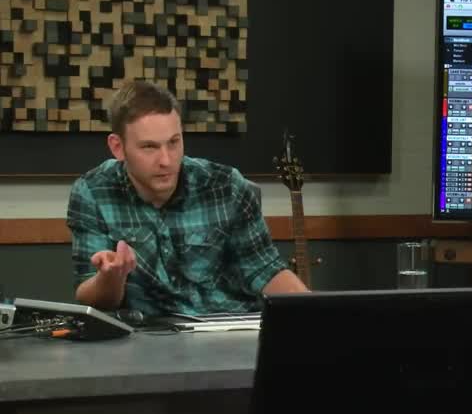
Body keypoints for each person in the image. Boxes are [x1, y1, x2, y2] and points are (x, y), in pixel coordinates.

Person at [66, 80, 308, 316]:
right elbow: (92, 298)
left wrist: (314, 315)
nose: (166, 160)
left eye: (174, 142)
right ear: (117, 147)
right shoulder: (93, 192)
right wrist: (111, 277)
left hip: (229, 324)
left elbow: (266, 269)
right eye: (149, 147)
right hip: (152, 334)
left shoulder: (225, 185)